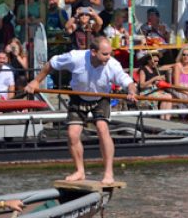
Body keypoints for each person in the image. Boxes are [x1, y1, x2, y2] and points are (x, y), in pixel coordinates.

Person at [24, 37, 138, 184]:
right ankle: (80, 171)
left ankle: (108, 173)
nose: (108, 57)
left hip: (101, 97)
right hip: (78, 97)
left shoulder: (113, 65)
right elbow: (51, 64)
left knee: (102, 129)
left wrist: (131, 92)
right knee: (72, 135)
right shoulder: (75, 57)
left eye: (110, 53)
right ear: (93, 52)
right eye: (104, 54)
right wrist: (36, 81)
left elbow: (129, 83)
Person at [136, 52, 173, 120]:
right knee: (165, 97)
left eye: (157, 61)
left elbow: (156, 83)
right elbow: (142, 85)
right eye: (154, 61)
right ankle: (162, 118)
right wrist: (154, 79)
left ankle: (167, 118)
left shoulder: (155, 69)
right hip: (145, 92)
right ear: (149, 60)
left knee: (169, 96)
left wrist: (160, 81)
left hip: (154, 91)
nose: (156, 63)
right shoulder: (143, 70)